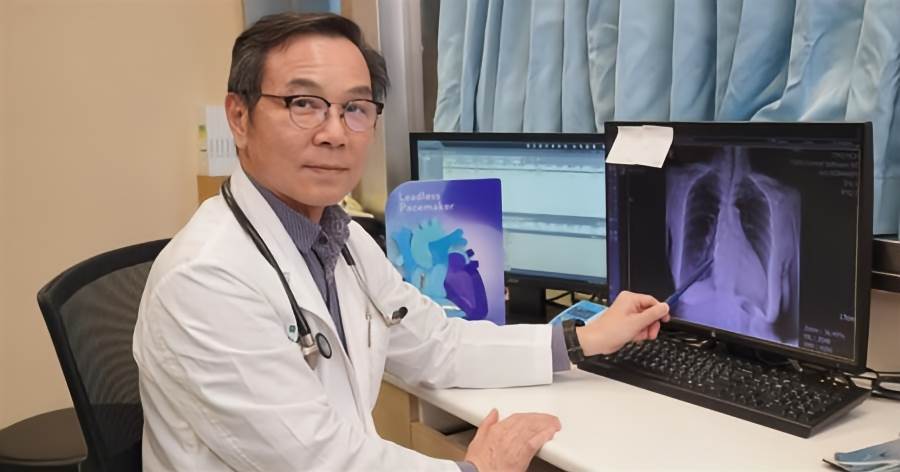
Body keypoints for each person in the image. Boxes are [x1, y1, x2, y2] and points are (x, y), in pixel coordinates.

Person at [132, 12, 670, 472]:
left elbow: (437, 344)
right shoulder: (205, 280)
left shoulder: (341, 239)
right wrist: (476, 468)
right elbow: (321, 462)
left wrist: (583, 339)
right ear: (239, 117)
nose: (334, 133)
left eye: (355, 108)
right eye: (304, 103)